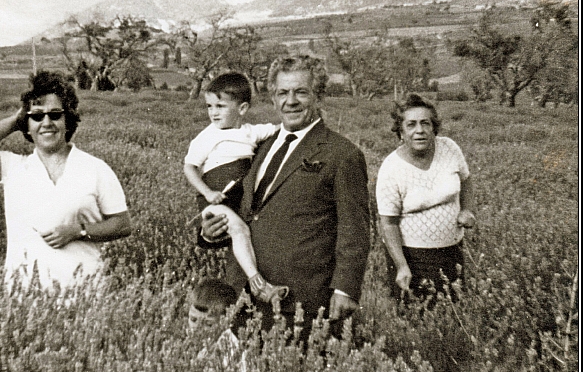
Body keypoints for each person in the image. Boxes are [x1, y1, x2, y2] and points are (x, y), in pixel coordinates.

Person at [201, 56, 371, 338]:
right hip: (243, 293)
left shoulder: (342, 154)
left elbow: (354, 228)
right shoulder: (260, 145)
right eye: (282, 93)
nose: (290, 101)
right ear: (273, 97)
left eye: (300, 92)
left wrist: (345, 289)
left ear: (318, 95)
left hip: (300, 298)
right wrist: (209, 232)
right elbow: (244, 209)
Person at [0, 70, 131, 291]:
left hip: (84, 293)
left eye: (55, 114)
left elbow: (122, 224)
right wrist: (17, 119)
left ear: (67, 120)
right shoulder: (14, 168)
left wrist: (78, 231)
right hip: (24, 297)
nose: (46, 122)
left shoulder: (95, 169)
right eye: (37, 116)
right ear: (27, 123)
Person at [184, 72, 286, 304]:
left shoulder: (250, 132)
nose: (213, 112)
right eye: (209, 106)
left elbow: (280, 129)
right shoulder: (207, 136)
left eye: (220, 106)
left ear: (242, 109)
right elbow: (190, 167)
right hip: (214, 200)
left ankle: (255, 284)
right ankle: (257, 283)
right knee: (240, 231)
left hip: (236, 199)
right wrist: (208, 193)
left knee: (241, 232)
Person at [376, 92, 476, 304]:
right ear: (401, 131)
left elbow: (466, 180)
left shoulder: (449, 147)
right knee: (417, 316)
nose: (419, 130)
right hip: (413, 259)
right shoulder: (391, 168)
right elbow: (388, 224)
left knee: (453, 312)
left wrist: (467, 210)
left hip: (452, 252)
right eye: (411, 124)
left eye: (425, 123)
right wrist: (402, 265)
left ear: (434, 128)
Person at [188, 277, 246, 372]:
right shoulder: (196, 345)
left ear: (228, 322)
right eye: (193, 319)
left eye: (208, 324)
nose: (197, 328)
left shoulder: (231, 351)